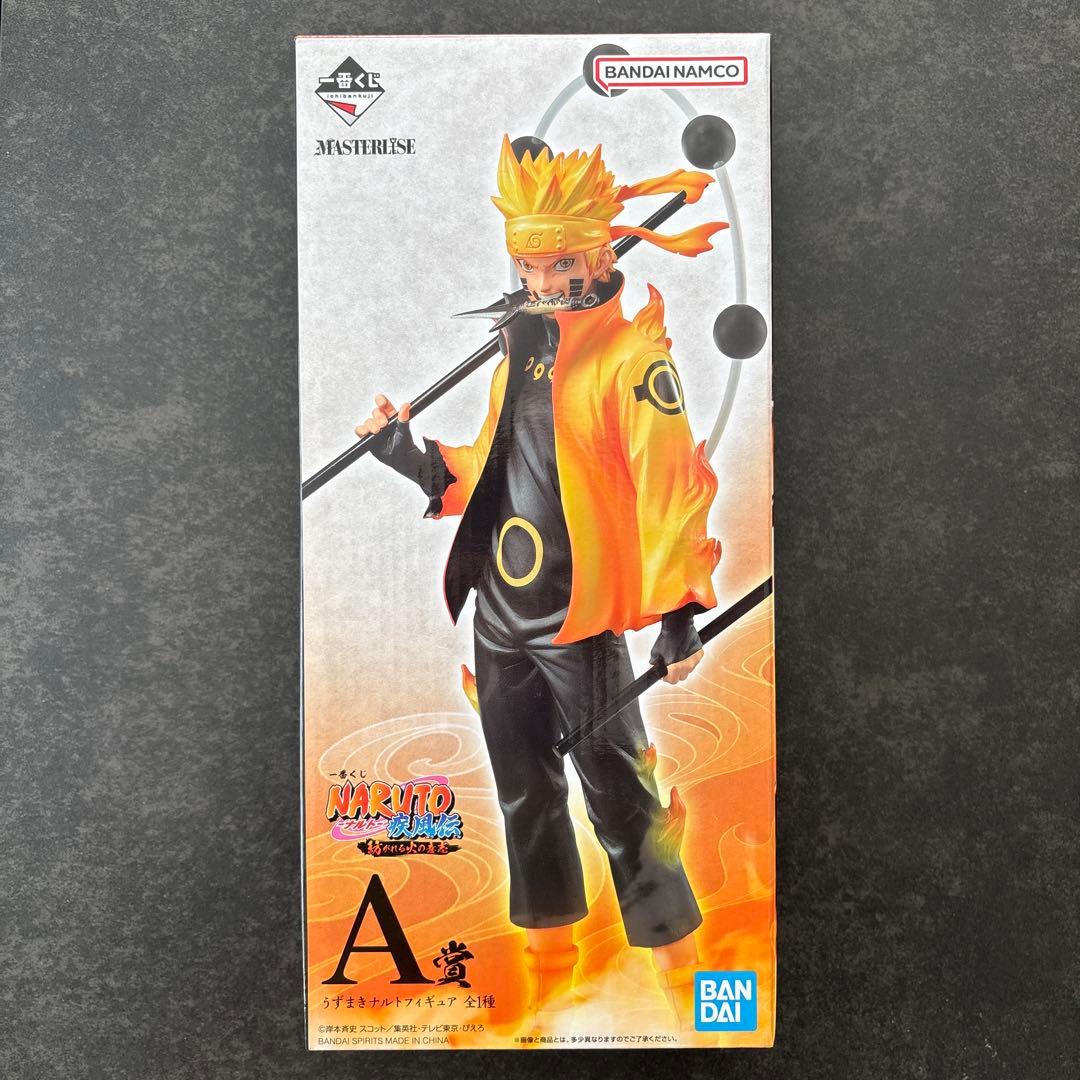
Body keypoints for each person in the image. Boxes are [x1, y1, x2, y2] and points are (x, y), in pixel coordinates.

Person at [356, 136, 725, 1026]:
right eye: (527, 266)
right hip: (500, 612)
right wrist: (406, 453)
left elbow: (670, 486)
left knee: (621, 797)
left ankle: (683, 978)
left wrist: (679, 613)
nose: (544, 281)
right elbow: (490, 469)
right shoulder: (520, 354)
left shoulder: (633, 362)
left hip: (578, 618)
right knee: (524, 792)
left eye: (560, 264)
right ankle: (550, 972)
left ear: (600, 255)